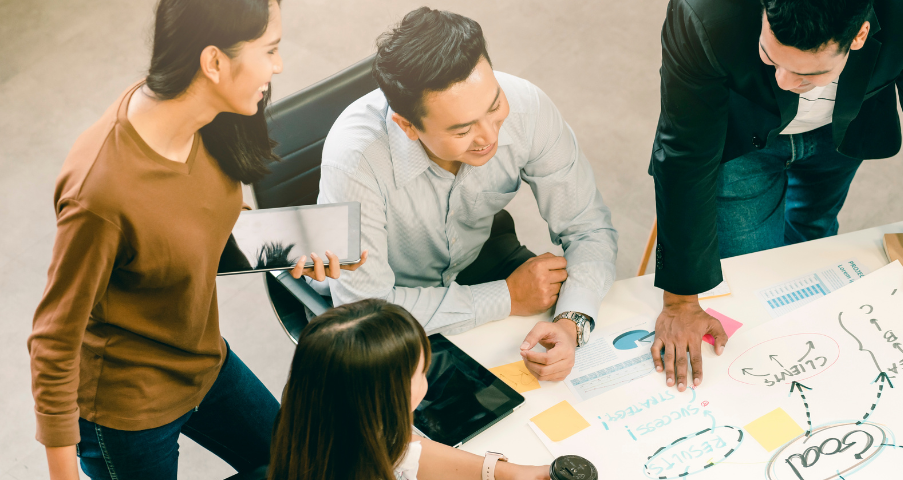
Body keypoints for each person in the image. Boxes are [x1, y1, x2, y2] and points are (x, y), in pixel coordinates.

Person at [27, 1, 361, 478]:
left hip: (203, 361)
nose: (279, 65)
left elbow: (193, 225)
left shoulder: (211, 119)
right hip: (129, 407)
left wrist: (290, 249)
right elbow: (53, 343)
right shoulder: (98, 194)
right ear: (214, 61)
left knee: (303, 465)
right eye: (269, 50)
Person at [648, 0, 903, 391]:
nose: (782, 79)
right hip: (744, 132)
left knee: (813, 229)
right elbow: (684, 153)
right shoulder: (704, 10)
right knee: (750, 278)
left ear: (860, 34)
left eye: (807, 73)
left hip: (842, 131)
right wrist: (680, 300)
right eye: (770, 55)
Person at [319, 8, 618, 382]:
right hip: (393, 301)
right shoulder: (354, 162)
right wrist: (505, 297)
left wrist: (571, 322)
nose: (490, 136)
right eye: (462, 131)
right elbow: (366, 312)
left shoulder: (527, 107)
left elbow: (588, 227)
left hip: (475, 256)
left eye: (494, 107)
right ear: (408, 126)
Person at [269, 298, 554, 480]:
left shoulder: (321, 423)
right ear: (388, 398)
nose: (427, 380)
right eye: (421, 373)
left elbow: (404, 448)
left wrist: (506, 473)